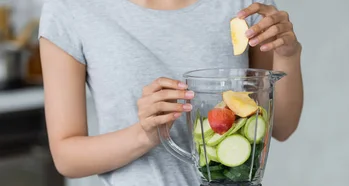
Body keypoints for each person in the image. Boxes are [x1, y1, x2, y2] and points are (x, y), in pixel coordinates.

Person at [38, 0, 304, 185]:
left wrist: (288, 55)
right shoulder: (70, 9)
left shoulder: (244, 6)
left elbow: (281, 126)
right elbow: (67, 158)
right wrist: (145, 135)